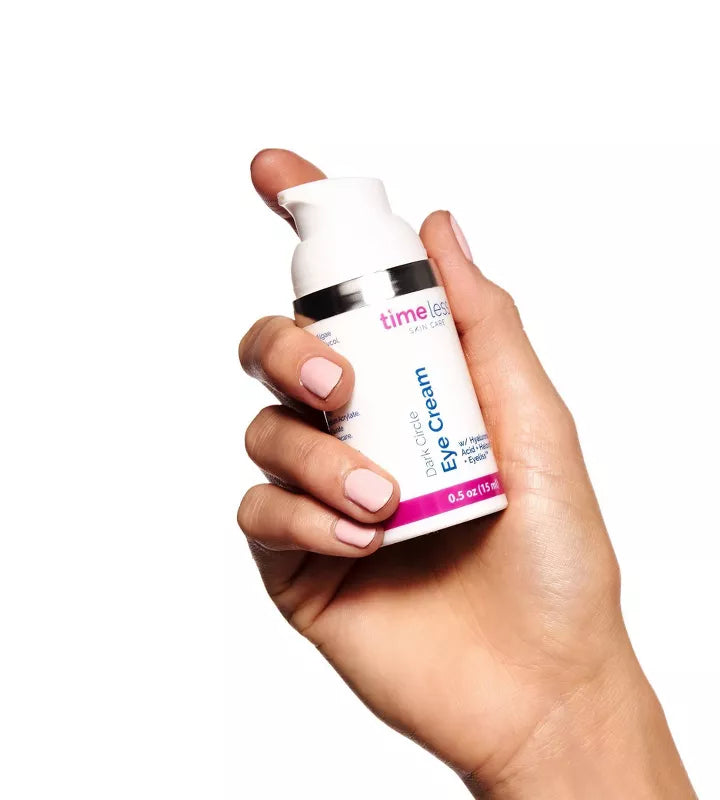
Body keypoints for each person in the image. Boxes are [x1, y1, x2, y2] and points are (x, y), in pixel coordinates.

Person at [237, 149, 696, 799]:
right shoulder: (348, 262)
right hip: (398, 550)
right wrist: (559, 719)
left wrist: (571, 700)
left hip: (482, 522)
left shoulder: (387, 255)